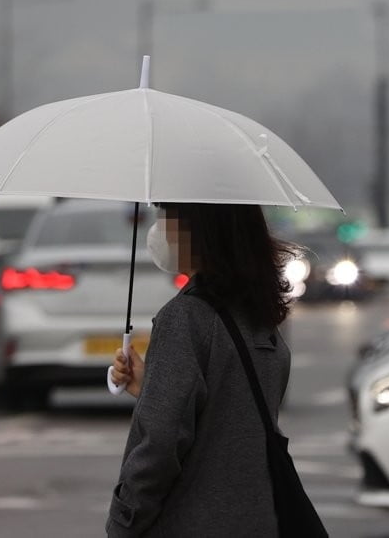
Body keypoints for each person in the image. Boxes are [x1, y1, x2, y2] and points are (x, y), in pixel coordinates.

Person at [106, 202, 294, 537]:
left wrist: (124, 519)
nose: (161, 229)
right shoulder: (258, 314)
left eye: (168, 217)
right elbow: (235, 411)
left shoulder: (185, 317)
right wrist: (152, 384)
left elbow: (160, 444)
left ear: (199, 229)